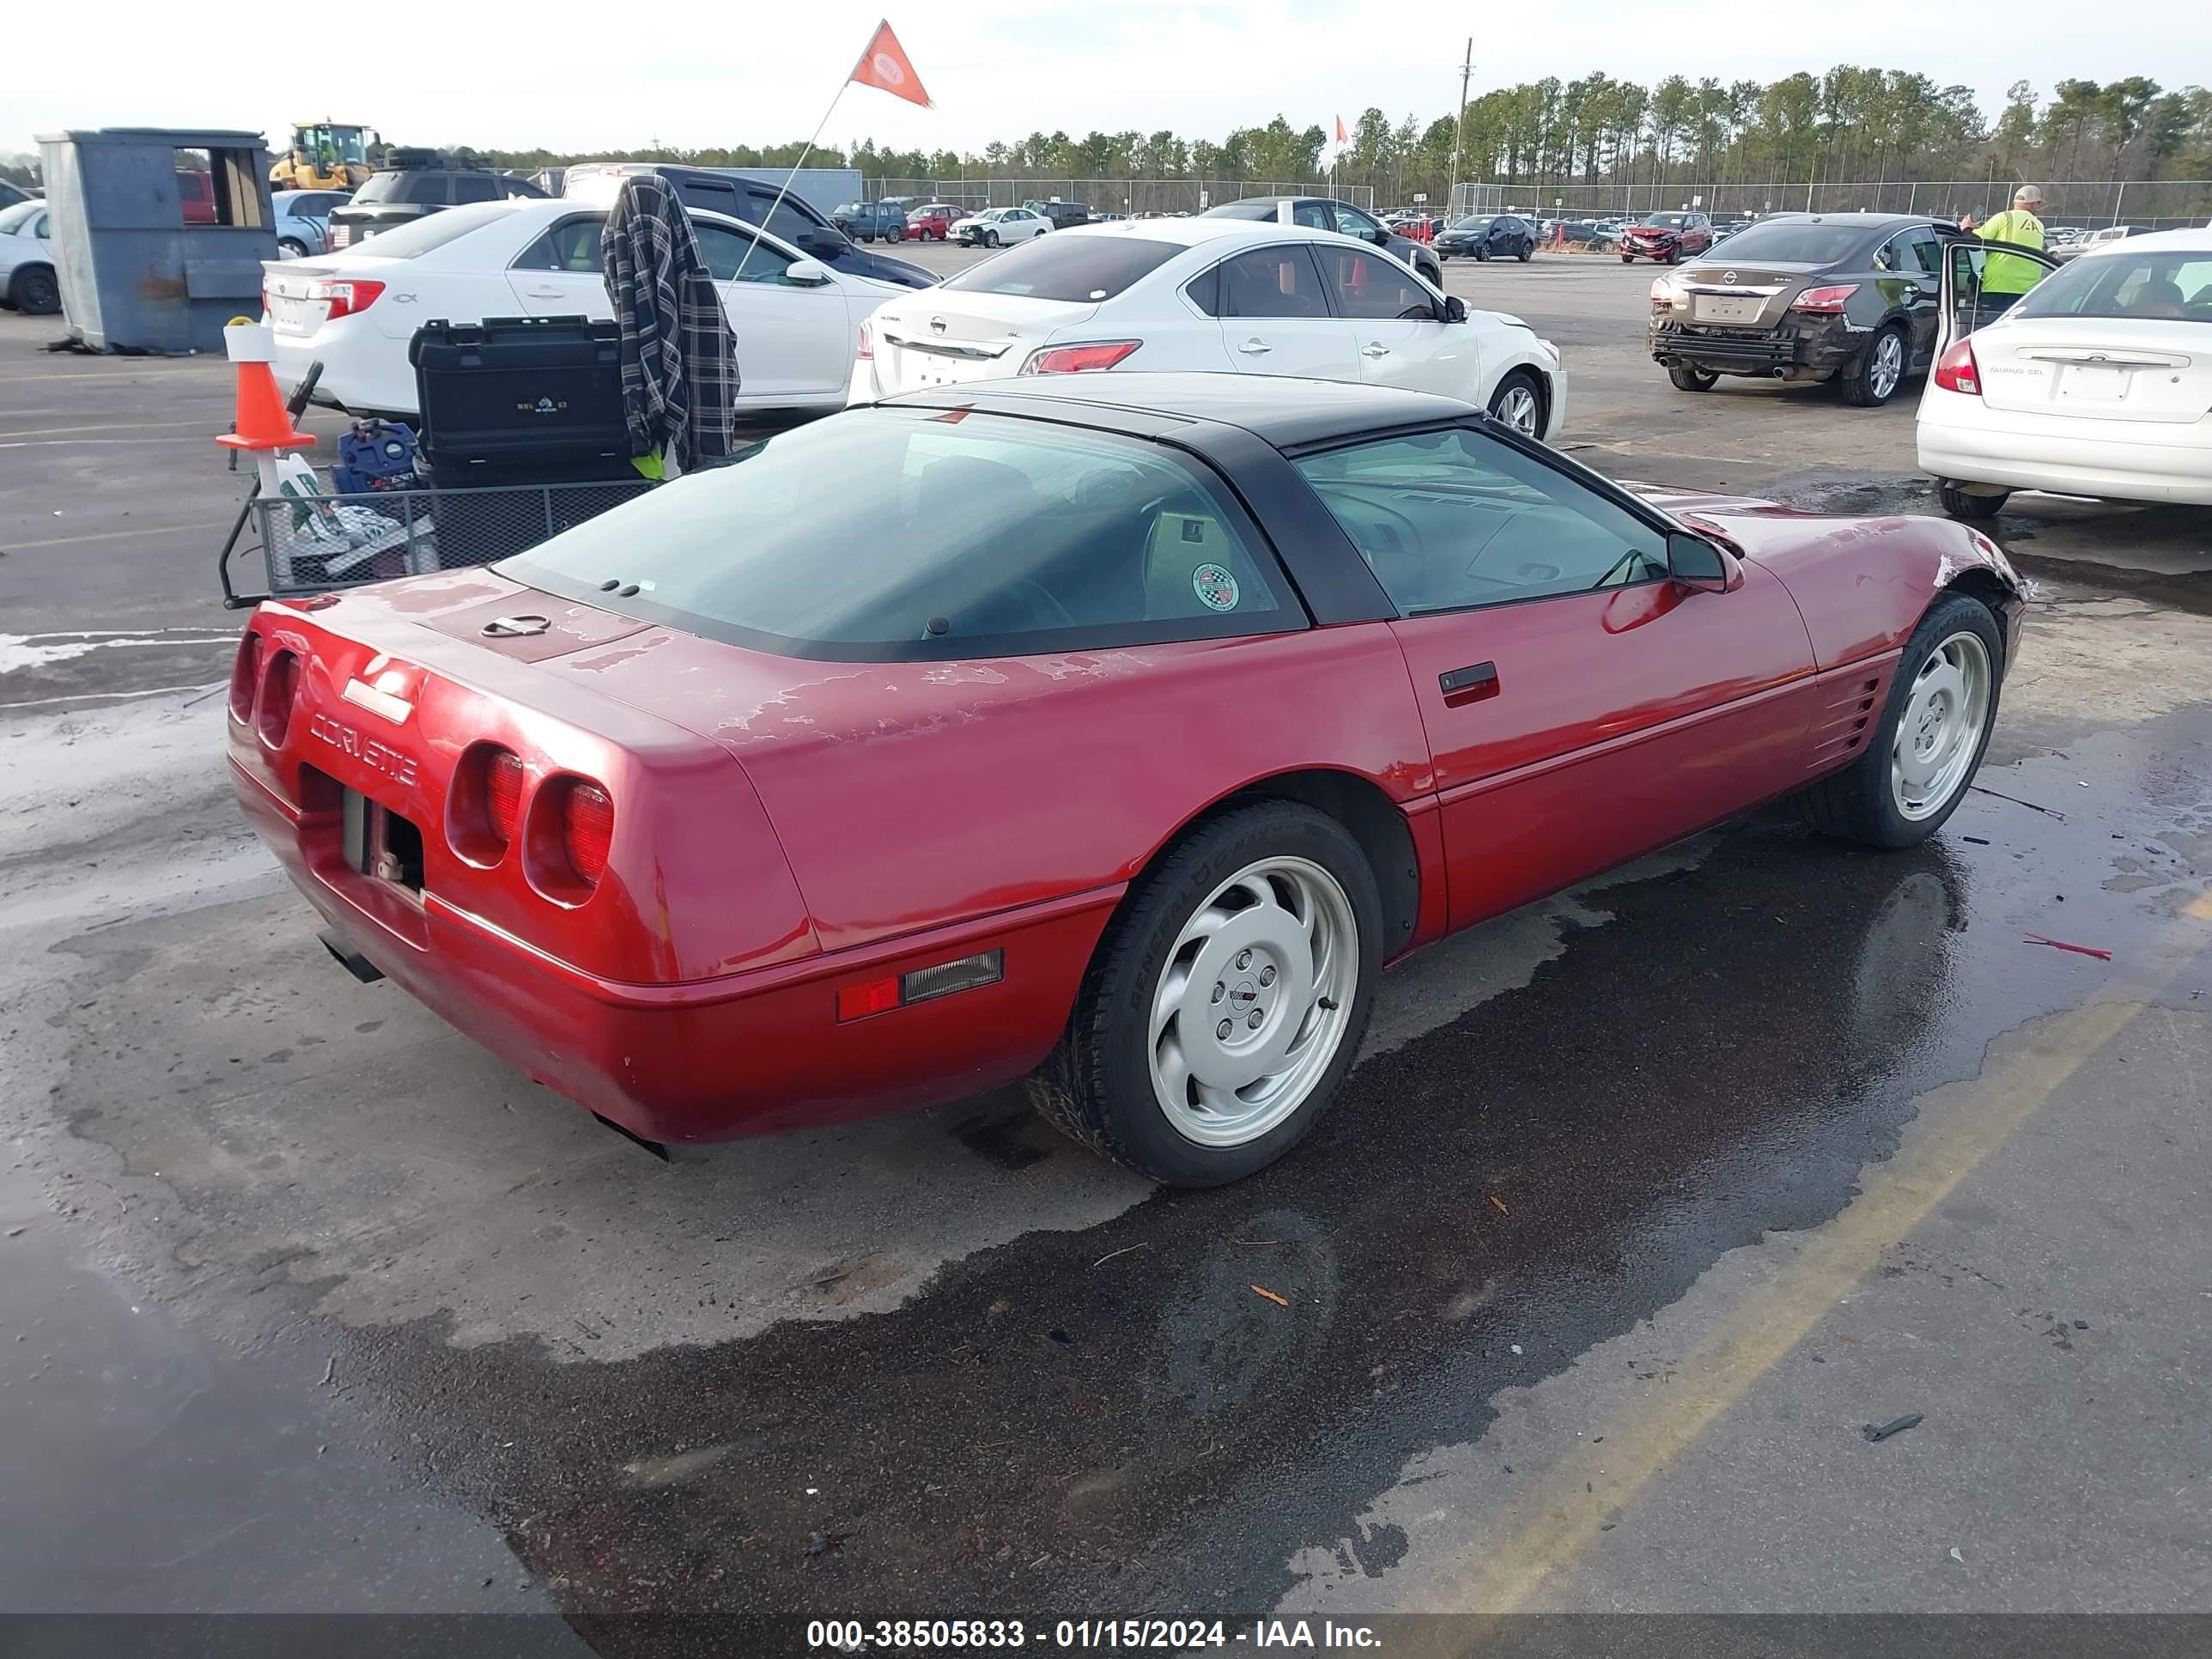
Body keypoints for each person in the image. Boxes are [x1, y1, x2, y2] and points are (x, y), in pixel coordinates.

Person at [1974, 185, 2047, 318]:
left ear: (2015, 202)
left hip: (1997, 287)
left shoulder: (2004, 217)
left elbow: (1975, 241)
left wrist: (1966, 227)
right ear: (2034, 204)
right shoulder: (2039, 225)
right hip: (2028, 292)